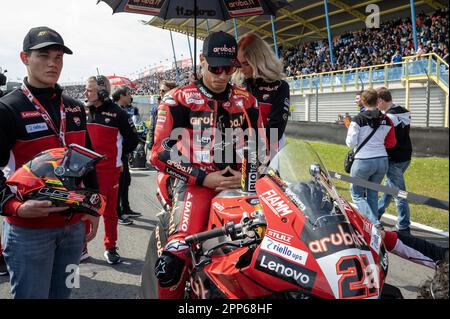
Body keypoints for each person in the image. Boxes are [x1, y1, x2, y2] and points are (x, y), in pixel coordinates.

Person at [150, 31, 265, 299]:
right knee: (173, 261)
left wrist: (246, 173)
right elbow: (158, 153)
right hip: (195, 183)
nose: (222, 75)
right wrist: (203, 178)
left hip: (240, 183)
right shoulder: (177, 99)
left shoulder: (247, 100)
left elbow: (261, 146)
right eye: (215, 67)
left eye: (228, 68)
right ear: (202, 60)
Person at [0, 26, 99, 298]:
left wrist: (93, 207)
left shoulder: (75, 107)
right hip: (29, 231)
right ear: (24, 58)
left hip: (73, 229)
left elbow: (87, 159)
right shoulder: (8, 108)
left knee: (65, 295)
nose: (53, 63)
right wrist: (15, 206)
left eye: (58, 56)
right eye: (43, 56)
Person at [85, 75, 139, 264]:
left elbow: (133, 141)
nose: (86, 93)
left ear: (101, 91)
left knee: (110, 212)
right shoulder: (85, 111)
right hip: (85, 172)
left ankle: (110, 247)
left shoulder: (119, 113)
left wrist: (117, 156)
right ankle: (82, 248)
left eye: (89, 89)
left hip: (110, 171)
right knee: (84, 210)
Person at [346, 89, 396, 228]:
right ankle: (374, 225)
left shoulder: (358, 119)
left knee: (356, 194)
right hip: (382, 160)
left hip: (363, 160)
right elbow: (390, 141)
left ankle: (374, 223)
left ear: (363, 101)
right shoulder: (387, 119)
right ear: (377, 100)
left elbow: (350, 142)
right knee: (373, 193)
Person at [234, 32, 290, 154]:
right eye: (239, 63)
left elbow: (275, 131)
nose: (241, 69)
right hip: (241, 154)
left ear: (259, 60)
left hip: (270, 154)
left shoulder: (280, 87)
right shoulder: (237, 87)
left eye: (246, 63)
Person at [376, 87, 412, 233]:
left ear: (381, 100)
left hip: (394, 158)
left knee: (399, 193)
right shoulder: (404, 111)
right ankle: (377, 212)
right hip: (406, 155)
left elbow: (386, 139)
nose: (376, 105)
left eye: (377, 102)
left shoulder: (389, 117)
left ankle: (404, 225)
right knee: (389, 188)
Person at [112, 85, 142, 225]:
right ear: (121, 96)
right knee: (119, 184)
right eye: (128, 93)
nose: (130, 96)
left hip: (124, 153)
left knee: (126, 182)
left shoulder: (124, 110)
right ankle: (117, 213)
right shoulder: (113, 111)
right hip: (117, 155)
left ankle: (126, 209)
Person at [147, 80, 177, 152]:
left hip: (174, 148)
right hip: (159, 147)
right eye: (160, 90)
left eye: (163, 91)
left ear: (172, 91)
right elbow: (152, 127)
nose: (160, 93)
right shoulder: (157, 107)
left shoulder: (180, 107)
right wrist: (151, 143)